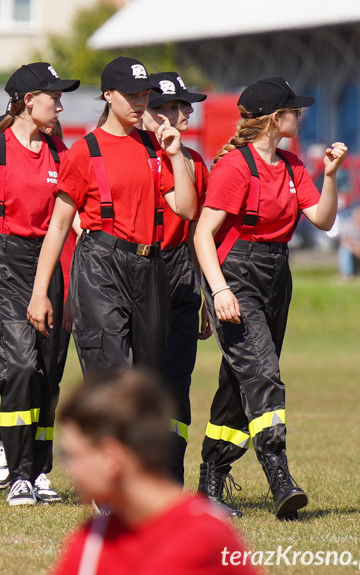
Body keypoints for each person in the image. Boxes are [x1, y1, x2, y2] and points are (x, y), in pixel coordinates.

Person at [194, 77, 347, 519]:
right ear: (273, 119)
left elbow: (322, 218)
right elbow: (203, 234)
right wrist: (219, 289)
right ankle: (279, 476)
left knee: (241, 380)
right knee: (263, 375)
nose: (300, 116)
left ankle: (211, 481)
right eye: (293, 110)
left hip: (276, 276)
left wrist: (330, 176)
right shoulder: (235, 167)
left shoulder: (293, 164)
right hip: (236, 275)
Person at [27, 57, 197, 390]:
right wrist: (39, 293)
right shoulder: (83, 152)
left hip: (150, 267)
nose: (140, 103)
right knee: (111, 377)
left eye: (145, 95)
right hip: (100, 267)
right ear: (107, 94)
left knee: (149, 383)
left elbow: (188, 210)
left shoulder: (155, 148)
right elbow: (59, 227)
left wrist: (176, 155)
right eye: (131, 94)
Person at [0, 62, 79, 506]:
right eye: (54, 96)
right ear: (30, 100)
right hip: (3, 262)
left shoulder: (62, 153)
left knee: (47, 376)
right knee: (22, 366)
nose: (61, 104)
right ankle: (19, 472)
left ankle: (40, 471)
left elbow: (70, 222)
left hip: (47, 265)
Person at [48, 369, 260, 575]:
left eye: (71, 455)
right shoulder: (91, 542)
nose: (68, 469)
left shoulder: (206, 538)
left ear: (110, 459)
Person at [140, 71, 213, 483]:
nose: (185, 112)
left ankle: (171, 476)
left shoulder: (196, 161)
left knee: (176, 383)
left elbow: (196, 234)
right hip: (138, 271)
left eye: (186, 106)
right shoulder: (134, 154)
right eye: (174, 106)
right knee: (140, 380)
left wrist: (203, 295)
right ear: (151, 112)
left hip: (181, 275)